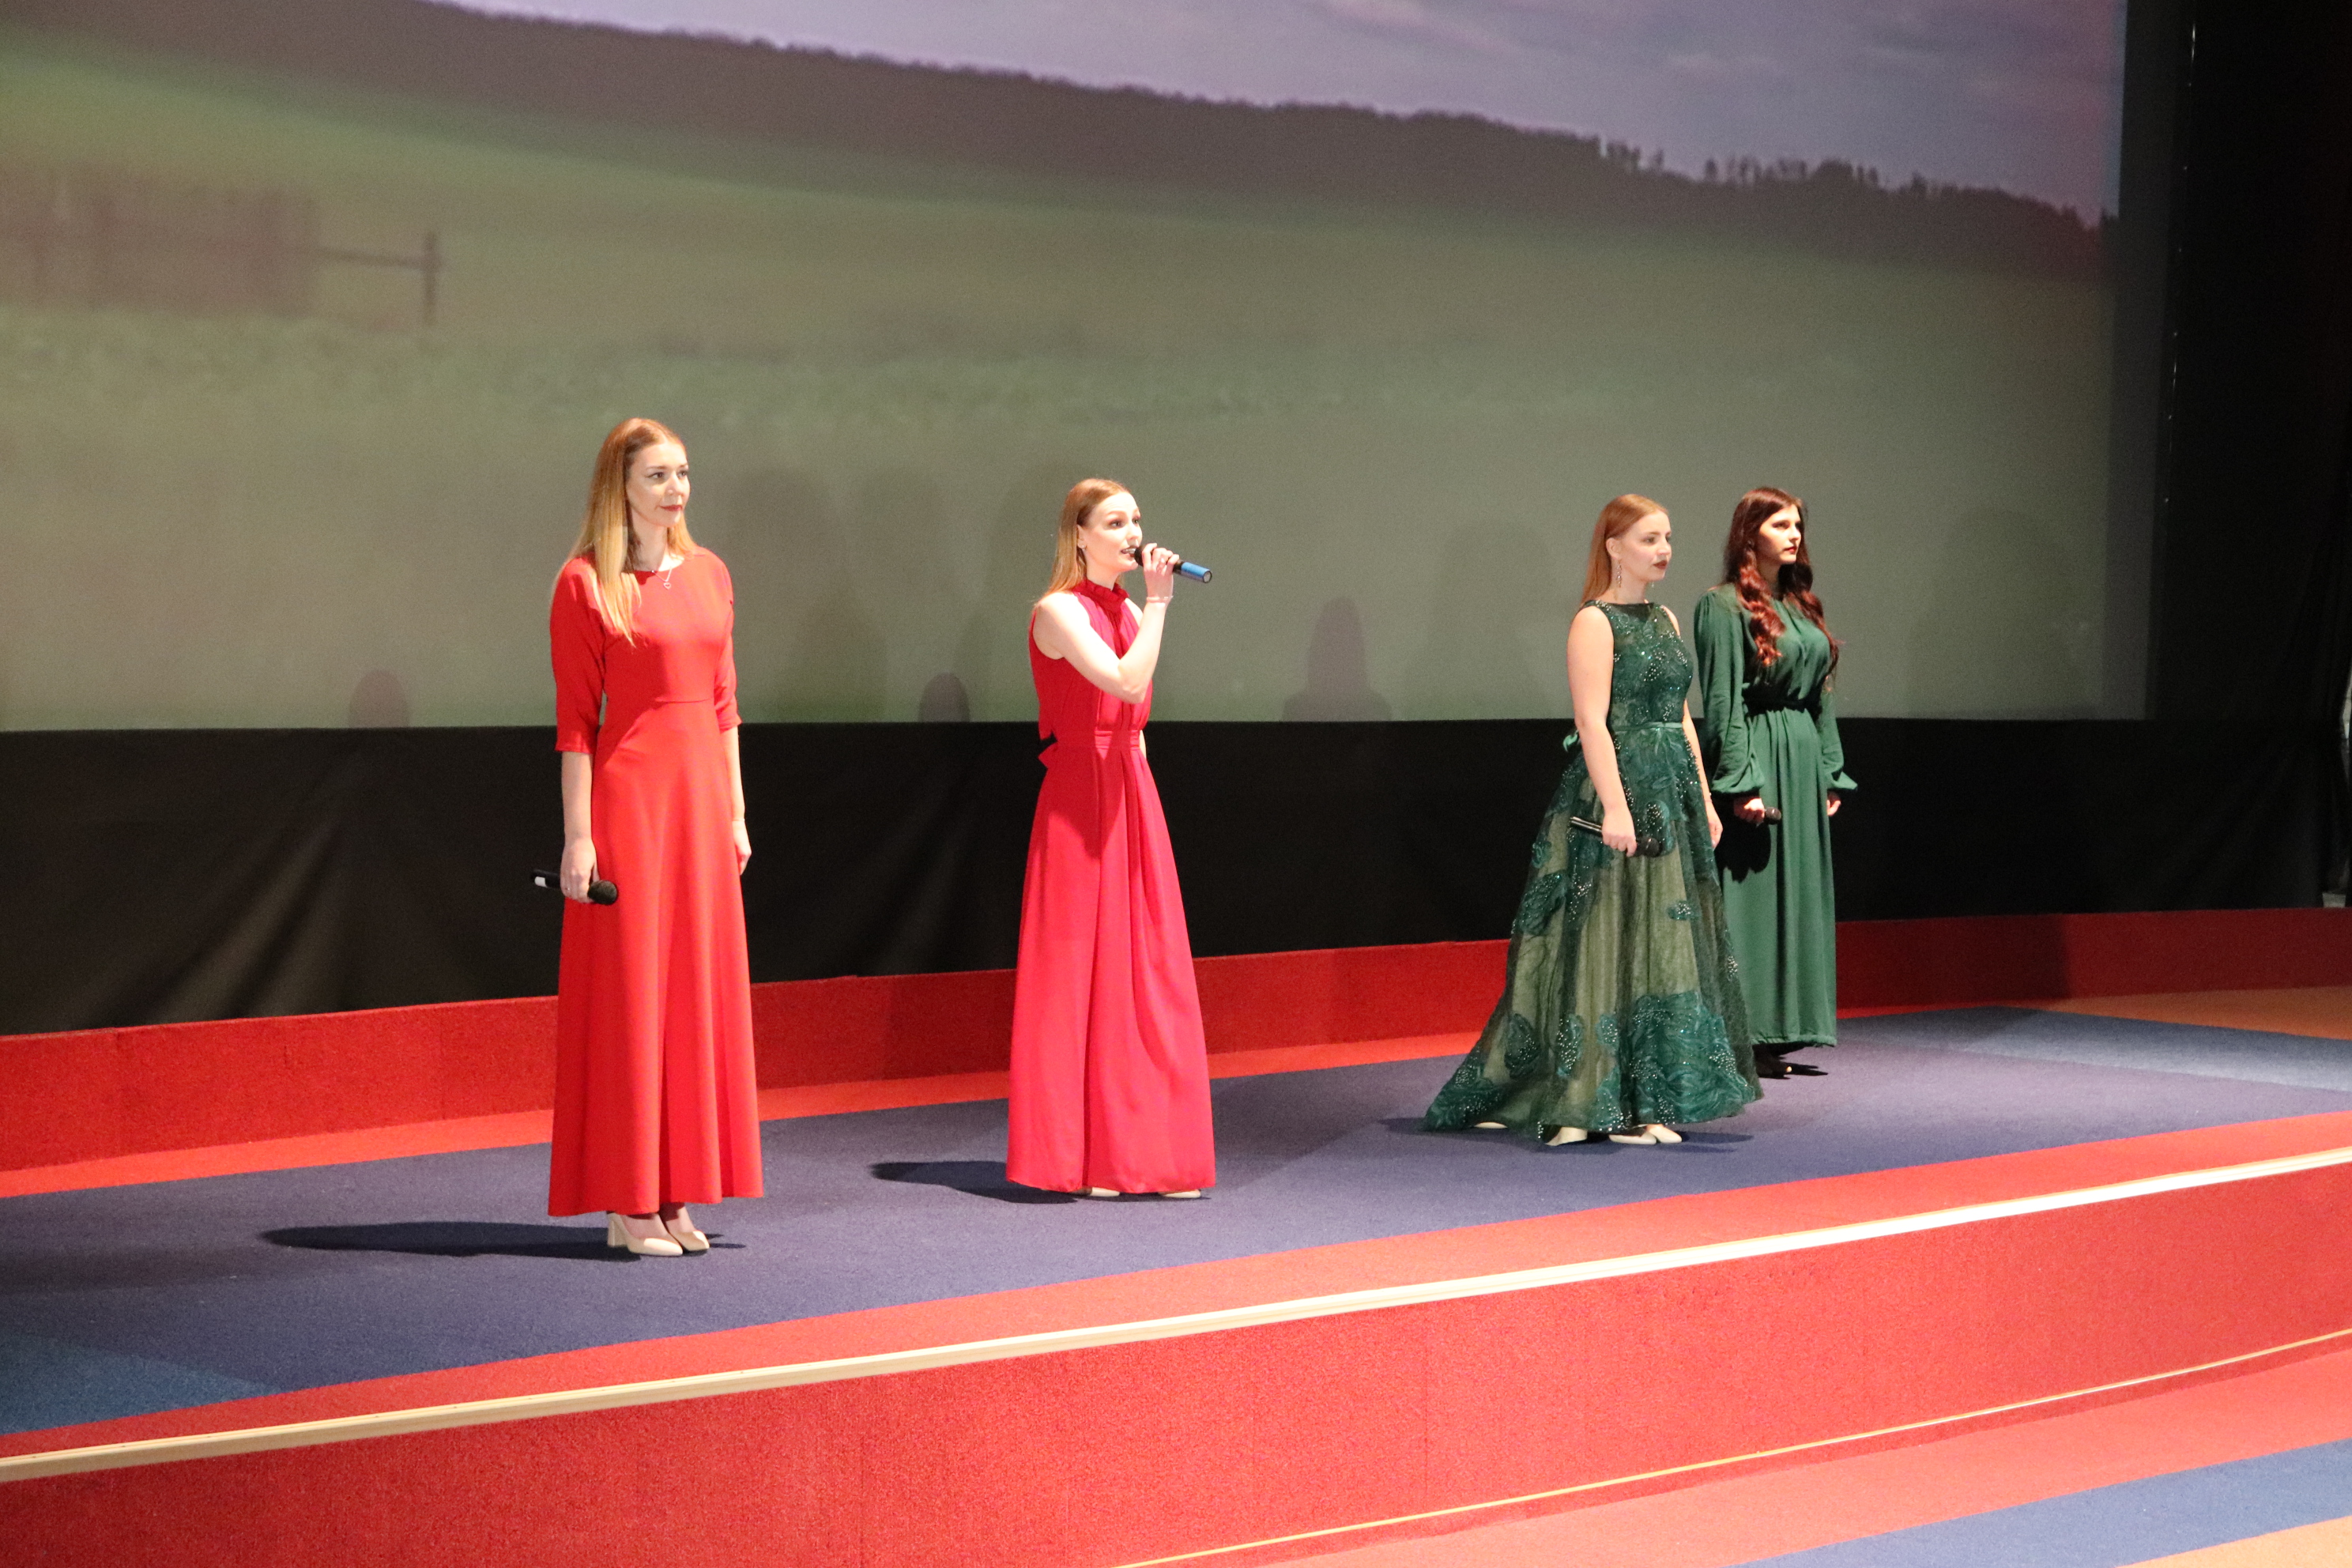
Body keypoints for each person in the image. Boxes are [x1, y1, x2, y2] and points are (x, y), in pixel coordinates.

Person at [1424, 496, 1758, 1145]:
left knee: (1660, 943)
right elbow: (1591, 722)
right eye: (1649, 539)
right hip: (1619, 786)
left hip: (1670, 791)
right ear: (1614, 546)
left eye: (1668, 538)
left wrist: (1704, 798)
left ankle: (1646, 1099)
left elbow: (1680, 715)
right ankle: (1592, 1099)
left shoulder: (1664, 618)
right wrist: (1615, 805)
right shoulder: (1594, 622)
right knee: (1607, 939)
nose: (1664, 550)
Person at [548, 417, 761, 1255]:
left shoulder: (711, 573)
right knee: (635, 995)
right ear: (621, 487)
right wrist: (578, 837)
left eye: (683, 473)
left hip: (702, 802)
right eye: (658, 476)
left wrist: (736, 813)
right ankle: (628, 1198)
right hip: (632, 801)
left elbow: (725, 706)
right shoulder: (585, 583)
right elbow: (576, 725)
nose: (677, 489)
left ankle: (673, 1192)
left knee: (692, 993)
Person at [1008, 479, 1216, 1198]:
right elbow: (1124, 683)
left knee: (1143, 971)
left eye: (1137, 520)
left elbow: (1136, 719)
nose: (1133, 533)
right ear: (1081, 534)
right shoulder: (1058, 611)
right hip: (1078, 797)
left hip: (1128, 788)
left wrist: (1141, 797)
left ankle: (1142, 1150)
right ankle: (1087, 1156)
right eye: (1116, 521)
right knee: (1080, 976)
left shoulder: (1127, 608)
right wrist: (1159, 604)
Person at [1693, 487, 1854, 1078]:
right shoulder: (1723, 606)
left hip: (1802, 761)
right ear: (1750, 532)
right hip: (1760, 754)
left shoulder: (1801, 605)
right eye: (1781, 524)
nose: (1794, 534)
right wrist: (1740, 782)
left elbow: (1822, 698)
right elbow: (1723, 701)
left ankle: (1784, 1026)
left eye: (1798, 525)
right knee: (1754, 901)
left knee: (1799, 894)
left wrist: (1830, 771)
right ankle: (1743, 1034)